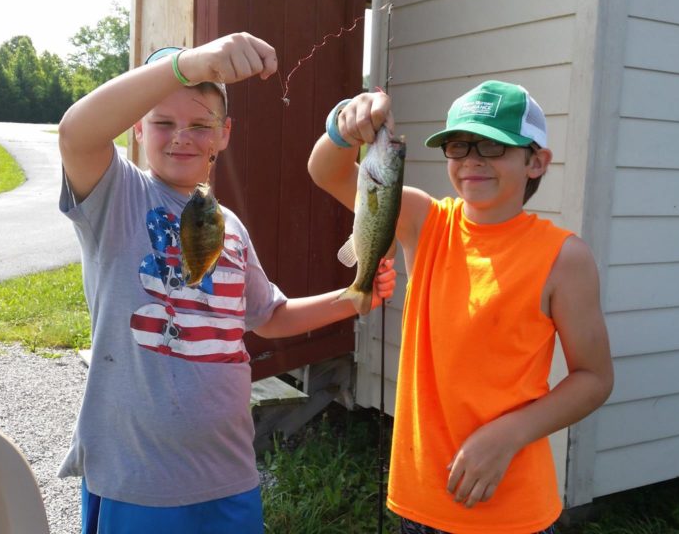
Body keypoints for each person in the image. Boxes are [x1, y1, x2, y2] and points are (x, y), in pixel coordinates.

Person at [56, 32, 396, 534]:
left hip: (228, 475)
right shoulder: (116, 196)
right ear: (137, 130)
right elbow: (76, 133)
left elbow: (270, 316)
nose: (181, 137)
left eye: (200, 124)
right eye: (163, 122)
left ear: (224, 134)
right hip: (138, 477)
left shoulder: (227, 225)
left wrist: (351, 299)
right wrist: (190, 64)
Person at [308, 80, 614, 534]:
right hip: (419, 498)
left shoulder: (564, 258)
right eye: (457, 145)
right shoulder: (422, 220)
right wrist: (346, 121)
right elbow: (326, 171)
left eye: (493, 147)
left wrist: (509, 435)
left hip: (512, 508)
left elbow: (594, 378)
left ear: (536, 161)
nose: (472, 159)